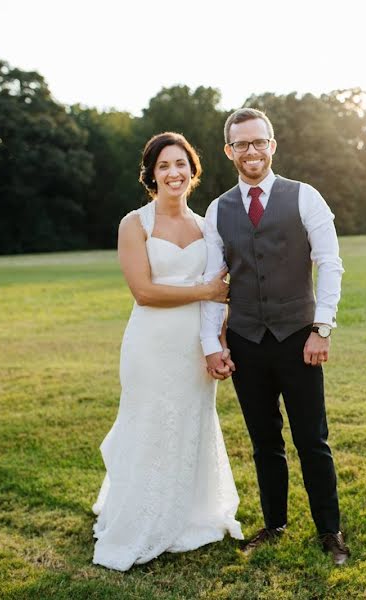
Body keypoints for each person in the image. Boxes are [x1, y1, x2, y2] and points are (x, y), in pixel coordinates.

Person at [200, 108, 350, 565]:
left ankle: (330, 530)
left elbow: (330, 263)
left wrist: (321, 328)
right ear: (229, 151)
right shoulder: (217, 209)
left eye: (258, 141)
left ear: (272, 145)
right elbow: (213, 279)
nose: (251, 150)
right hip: (246, 339)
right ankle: (275, 522)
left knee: (312, 439)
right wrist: (212, 343)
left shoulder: (305, 197)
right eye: (241, 144)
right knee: (265, 440)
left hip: (298, 337)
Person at [92, 132, 244, 571]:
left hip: (195, 346)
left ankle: (188, 515)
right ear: (151, 175)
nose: (173, 173)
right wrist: (207, 290)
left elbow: (222, 299)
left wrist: (220, 345)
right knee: (149, 423)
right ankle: (138, 518)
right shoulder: (134, 224)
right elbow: (142, 291)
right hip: (150, 344)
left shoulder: (206, 226)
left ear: (192, 171)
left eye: (181, 164)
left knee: (190, 424)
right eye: (163, 166)